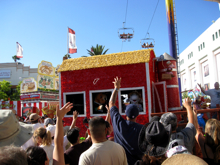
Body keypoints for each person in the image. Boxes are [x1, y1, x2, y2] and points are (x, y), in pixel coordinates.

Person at [109, 77, 143, 165]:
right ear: (137, 115)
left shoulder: (119, 124)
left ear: (125, 113)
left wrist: (116, 88)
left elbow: (111, 103)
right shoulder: (142, 129)